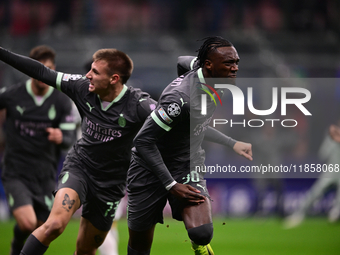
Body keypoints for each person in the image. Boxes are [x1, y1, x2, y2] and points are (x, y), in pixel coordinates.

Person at [0, 46, 156, 255]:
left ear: (114, 79)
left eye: (95, 72)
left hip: (111, 184)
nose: (87, 75)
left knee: (86, 248)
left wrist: (213, 136)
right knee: (54, 225)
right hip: (80, 169)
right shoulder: (81, 87)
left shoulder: (140, 105)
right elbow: (41, 72)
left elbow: (177, 119)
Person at [126, 36, 253, 255]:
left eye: (236, 62)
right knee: (139, 247)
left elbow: (181, 60)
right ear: (209, 65)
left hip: (186, 163)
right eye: (229, 63)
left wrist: (231, 143)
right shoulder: (179, 101)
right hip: (147, 168)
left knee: (202, 233)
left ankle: (198, 245)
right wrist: (171, 185)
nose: (234, 68)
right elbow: (143, 141)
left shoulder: (206, 72)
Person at [0, 45, 77, 255]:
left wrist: (62, 137)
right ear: (29, 71)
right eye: (39, 69)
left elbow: (70, 137)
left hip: (44, 175)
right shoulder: (12, 95)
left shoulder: (62, 100)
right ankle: (16, 248)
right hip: (16, 172)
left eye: (49, 69)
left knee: (41, 229)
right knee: (27, 224)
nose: (43, 74)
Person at [284, 124, 340, 228]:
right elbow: (323, 154)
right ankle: (298, 214)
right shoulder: (331, 136)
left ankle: (335, 213)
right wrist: (333, 141)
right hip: (331, 171)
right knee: (315, 192)